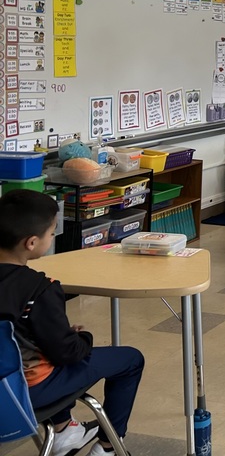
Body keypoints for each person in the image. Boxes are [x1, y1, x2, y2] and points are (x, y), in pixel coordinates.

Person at [0, 190, 145, 456]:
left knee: (34, 345)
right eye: (52, 231)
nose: (52, 236)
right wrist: (82, 338)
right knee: (130, 360)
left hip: (8, 383)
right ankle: (107, 448)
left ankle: (65, 429)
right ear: (32, 242)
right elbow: (66, 353)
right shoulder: (39, 289)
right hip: (22, 393)